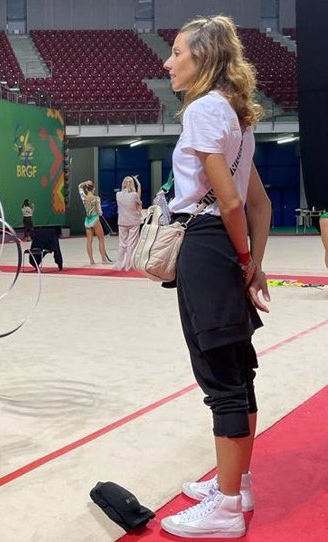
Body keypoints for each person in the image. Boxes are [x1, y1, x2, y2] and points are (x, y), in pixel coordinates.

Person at [159, 16, 272, 539]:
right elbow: (260, 203)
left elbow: (231, 201)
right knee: (238, 370)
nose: (168, 62)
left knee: (220, 377)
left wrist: (244, 259)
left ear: (201, 59)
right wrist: (253, 261)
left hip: (206, 246)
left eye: (177, 52)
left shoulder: (204, 110)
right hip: (224, 248)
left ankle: (227, 508)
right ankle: (238, 483)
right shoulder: (237, 116)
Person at [113, 175, 142, 271]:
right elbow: (139, 202)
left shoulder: (118, 195)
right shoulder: (134, 195)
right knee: (132, 244)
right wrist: (138, 183)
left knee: (122, 244)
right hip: (133, 221)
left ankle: (119, 265)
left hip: (122, 221)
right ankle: (129, 266)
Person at [78, 180, 109, 264]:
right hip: (95, 219)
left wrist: (85, 183)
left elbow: (79, 186)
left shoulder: (84, 197)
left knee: (89, 241)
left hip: (87, 220)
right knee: (101, 239)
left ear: (87, 189)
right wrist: (100, 213)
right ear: (93, 189)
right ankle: (103, 259)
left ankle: (91, 260)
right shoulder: (96, 198)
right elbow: (99, 212)